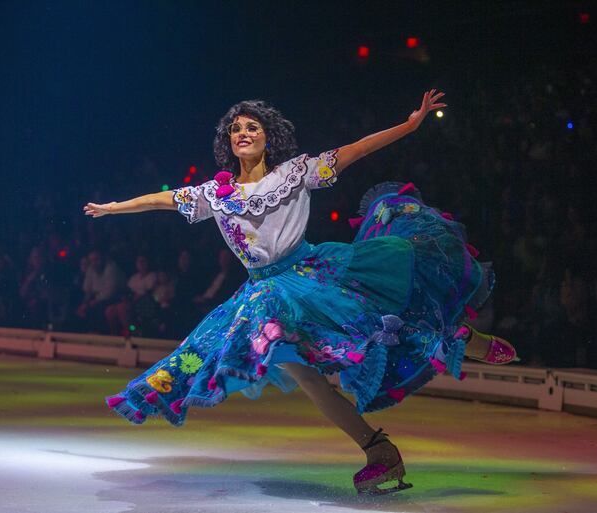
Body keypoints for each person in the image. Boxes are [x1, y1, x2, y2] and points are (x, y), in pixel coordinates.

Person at [84, 90, 519, 495]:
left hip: (310, 278)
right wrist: (113, 208)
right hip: (264, 295)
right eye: (235, 129)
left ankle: (459, 338)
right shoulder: (215, 195)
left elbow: (358, 150)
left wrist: (409, 125)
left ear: (268, 136)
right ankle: (379, 452)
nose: (243, 133)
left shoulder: (295, 173)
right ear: (228, 142)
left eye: (251, 126)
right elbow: (161, 200)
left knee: (376, 324)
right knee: (311, 384)